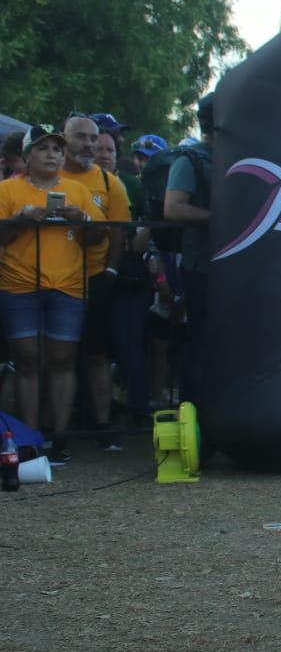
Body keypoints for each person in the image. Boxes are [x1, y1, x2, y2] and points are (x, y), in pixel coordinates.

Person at [0, 124, 104, 464]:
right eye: (43, 149)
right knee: (27, 361)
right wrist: (18, 221)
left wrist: (83, 219)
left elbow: (99, 237)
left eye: (57, 149)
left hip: (68, 287)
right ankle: (29, 440)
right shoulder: (7, 190)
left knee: (62, 361)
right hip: (19, 285)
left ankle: (60, 439)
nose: (51, 155)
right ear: (27, 156)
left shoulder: (76, 191)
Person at [62, 113, 130, 450]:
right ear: (65, 139)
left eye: (93, 139)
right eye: (81, 137)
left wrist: (111, 272)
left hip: (95, 278)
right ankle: (54, 431)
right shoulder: (45, 176)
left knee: (98, 355)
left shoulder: (109, 182)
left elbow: (119, 231)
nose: (88, 145)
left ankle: (102, 428)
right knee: (55, 358)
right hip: (52, 280)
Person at [94, 125, 153, 426]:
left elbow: (147, 223)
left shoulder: (130, 183)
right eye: (98, 147)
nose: (104, 155)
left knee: (129, 346)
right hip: (84, 278)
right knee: (96, 352)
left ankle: (139, 414)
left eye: (109, 149)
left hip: (127, 277)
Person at [163, 97, 216, 410]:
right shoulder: (190, 159)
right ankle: (193, 414)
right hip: (200, 267)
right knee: (198, 343)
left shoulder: (234, 154)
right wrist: (218, 218)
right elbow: (173, 207)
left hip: (230, 266)